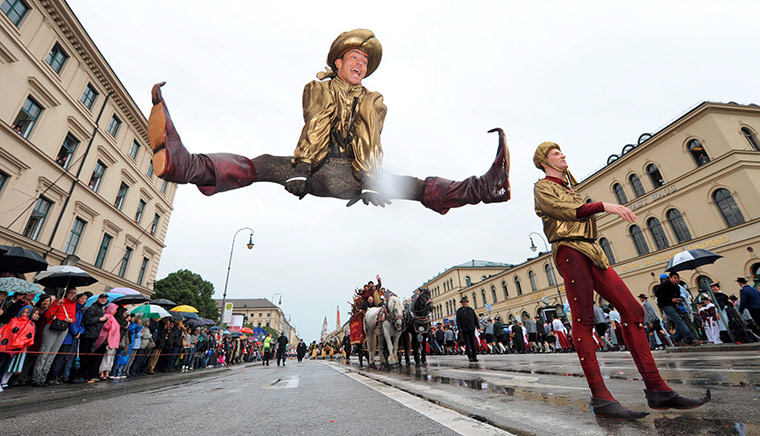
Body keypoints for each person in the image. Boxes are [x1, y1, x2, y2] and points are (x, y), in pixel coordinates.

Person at [147, 29, 509, 215]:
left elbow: (370, 137)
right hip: (316, 168)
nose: (360, 66)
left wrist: (370, 180)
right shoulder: (320, 88)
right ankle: (186, 165)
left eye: (365, 63)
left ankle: (484, 188)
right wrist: (301, 168)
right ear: (338, 62)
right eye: (354, 58)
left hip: (357, 176)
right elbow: (316, 123)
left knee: (413, 185)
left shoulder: (372, 99)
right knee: (263, 164)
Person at [533, 141, 709, 419]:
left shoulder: (569, 187)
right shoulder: (543, 187)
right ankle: (601, 398)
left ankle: (657, 389)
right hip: (569, 250)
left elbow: (578, 209)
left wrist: (599, 206)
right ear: (544, 161)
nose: (563, 155)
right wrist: (605, 206)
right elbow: (567, 212)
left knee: (633, 311)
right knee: (584, 320)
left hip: (591, 249)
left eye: (562, 151)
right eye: (556, 153)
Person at [31, 288, 77, 387]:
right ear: (66, 293)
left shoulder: (73, 304)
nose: (72, 295)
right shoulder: (58, 301)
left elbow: (73, 318)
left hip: (63, 328)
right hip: (52, 326)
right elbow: (48, 315)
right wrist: (56, 304)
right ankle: (36, 378)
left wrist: (70, 320)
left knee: (52, 354)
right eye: (70, 293)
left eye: (74, 293)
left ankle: (43, 378)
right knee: (44, 352)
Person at [655, 273, 701, 346]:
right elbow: (659, 296)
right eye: (675, 277)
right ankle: (691, 339)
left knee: (678, 321)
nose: (677, 279)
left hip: (674, 305)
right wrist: (671, 300)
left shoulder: (677, 287)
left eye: (678, 278)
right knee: (679, 320)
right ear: (670, 278)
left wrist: (677, 302)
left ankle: (677, 339)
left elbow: (678, 295)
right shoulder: (664, 286)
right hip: (666, 305)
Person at [0, 305, 35, 390]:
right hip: (5, 347)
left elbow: (28, 337)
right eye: (24, 312)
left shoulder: (29, 324)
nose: (25, 314)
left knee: (4, 365)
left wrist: (17, 345)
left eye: (27, 313)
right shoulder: (13, 321)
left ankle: (2, 381)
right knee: (1, 364)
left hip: (14, 349)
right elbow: (5, 331)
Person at [455, 296, 478, 362]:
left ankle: (474, 356)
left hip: (471, 328)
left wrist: (477, 327)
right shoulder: (459, 311)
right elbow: (458, 320)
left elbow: (475, 318)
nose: (464, 303)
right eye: (463, 302)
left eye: (465, 302)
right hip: (464, 329)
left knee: (473, 343)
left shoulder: (471, 310)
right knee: (467, 343)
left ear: (467, 303)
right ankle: (470, 356)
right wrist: (460, 329)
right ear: (462, 303)